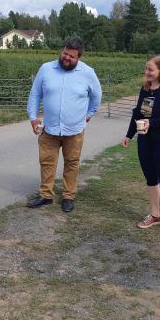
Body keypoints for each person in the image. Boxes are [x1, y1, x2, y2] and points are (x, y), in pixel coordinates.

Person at [26, 38, 102, 213]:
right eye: (65, 53)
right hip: (49, 128)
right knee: (47, 162)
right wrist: (33, 117)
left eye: (71, 56)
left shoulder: (88, 73)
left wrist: (89, 115)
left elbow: (96, 97)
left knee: (72, 163)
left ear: (79, 57)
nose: (66, 58)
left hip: (74, 130)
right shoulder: (46, 69)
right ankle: (46, 195)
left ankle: (68, 196)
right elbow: (35, 94)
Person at [121, 55, 160, 240]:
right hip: (145, 142)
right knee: (151, 180)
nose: (146, 72)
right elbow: (138, 114)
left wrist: (152, 123)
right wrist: (129, 134)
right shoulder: (145, 89)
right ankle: (155, 215)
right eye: (146, 68)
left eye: (150, 69)